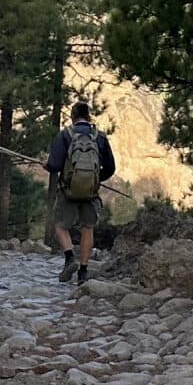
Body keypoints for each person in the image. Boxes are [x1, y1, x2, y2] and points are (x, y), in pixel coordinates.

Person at [46, 100, 114, 284]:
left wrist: (47, 165)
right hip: (90, 192)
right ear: (88, 116)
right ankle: (83, 271)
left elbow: (54, 165)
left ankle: (69, 257)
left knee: (60, 226)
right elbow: (110, 167)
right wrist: (95, 180)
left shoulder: (65, 135)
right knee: (87, 228)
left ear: (73, 116)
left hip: (67, 190)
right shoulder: (99, 137)